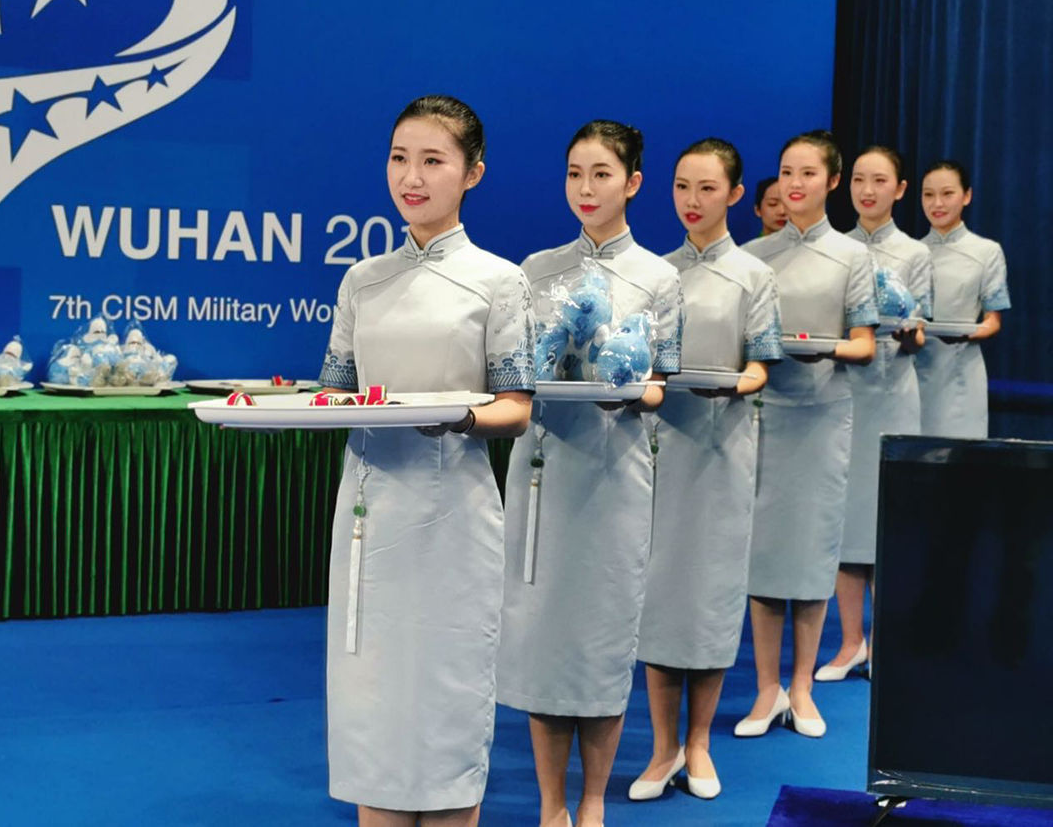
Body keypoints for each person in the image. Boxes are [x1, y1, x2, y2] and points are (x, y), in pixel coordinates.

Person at [318, 95, 535, 827]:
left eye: (433, 161)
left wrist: (456, 416)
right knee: (371, 693)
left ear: (472, 173)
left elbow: (517, 408)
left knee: (446, 694)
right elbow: (335, 393)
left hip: (454, 515)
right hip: (369, 511)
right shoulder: (361, 279)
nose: (411, 177)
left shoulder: (500, 280)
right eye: (399, 158)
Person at [497, 120, 683, 827]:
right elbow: (515, 375)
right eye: (575, 172)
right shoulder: (534, 271)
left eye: (601, 174)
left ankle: (594, 801)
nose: (585, 187)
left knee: (602, 642)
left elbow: (664, 386)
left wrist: (627, 387)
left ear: (632, 183)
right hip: (546, 470)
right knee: (547, 641)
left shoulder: (660, 277)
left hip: (616, 473)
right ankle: (552, 806)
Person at [631, 138, 782, 804]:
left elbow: (761, 363)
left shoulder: (754, 275)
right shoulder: (653, 273)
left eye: (707, 188)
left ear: (735, 195)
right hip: (660, 449)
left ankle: (699, 744)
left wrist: (735, 382)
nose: (692, 201)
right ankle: (663, 747)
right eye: (682, 187)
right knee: (662, 598)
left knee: (712, 596)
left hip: (723, 449)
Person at [736, 130, 877, 739]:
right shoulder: (752, 255)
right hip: (762, 413)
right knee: (765, 555)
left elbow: (865, 345)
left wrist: (824, 347)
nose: (795, 184)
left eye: (808, 173)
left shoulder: (852, 257)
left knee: (813, 552)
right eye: (787, 172)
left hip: (821, 416)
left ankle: (802, 687)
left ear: (832, 181)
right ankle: (767, 689)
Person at [816, 146, 933, 682]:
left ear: (900, 189)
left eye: (880, 180)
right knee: (845, 518)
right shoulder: (835, 250)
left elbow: (920, 336)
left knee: (886, 515)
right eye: (859, 179)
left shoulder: (915, 253)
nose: (867, 190)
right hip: (843, 391)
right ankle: (849, 642)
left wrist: (907, 334)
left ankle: (884, 642)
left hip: (892, 392)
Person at [913, 160, 1010, 439]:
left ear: (966, 196)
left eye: (947, 194)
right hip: (913, 369)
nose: (937, 203)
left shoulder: (986, 251)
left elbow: (993, 320)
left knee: (957, 454)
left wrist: (967, 333)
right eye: (928, 194)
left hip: (961, 371)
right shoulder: (911, 251)